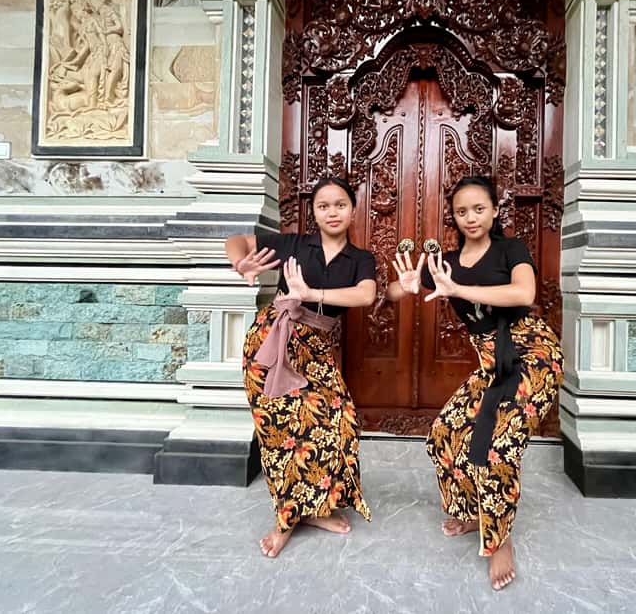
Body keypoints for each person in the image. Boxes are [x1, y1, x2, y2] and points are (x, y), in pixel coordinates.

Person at [388, 175, 564, 590]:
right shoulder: (444, 263)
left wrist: (459, 288)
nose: (470, 217)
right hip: (490, 361)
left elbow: (524, 293)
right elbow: (396, 291)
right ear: (453, 215)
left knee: (497, 444)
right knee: (445, 431)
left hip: (532, 355)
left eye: (479, 209)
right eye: (462, 211)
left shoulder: (511, 249)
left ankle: (500, 539)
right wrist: (409, 285)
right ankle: (471, 512)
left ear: (494, 211)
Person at [224, 176, 377, 558]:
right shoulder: (293, 243)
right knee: (280, 431)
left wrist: (312, 295)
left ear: (353, 209)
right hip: (270, 344)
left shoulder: (361, 259)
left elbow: (366, 294)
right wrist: (240, 262)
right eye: (323, 205)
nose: (332, 212)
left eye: (340, 204)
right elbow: (238, 239)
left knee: (339, 421)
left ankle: (315, 507)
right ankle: (286, 519)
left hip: (316, 348)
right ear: (314, 212)